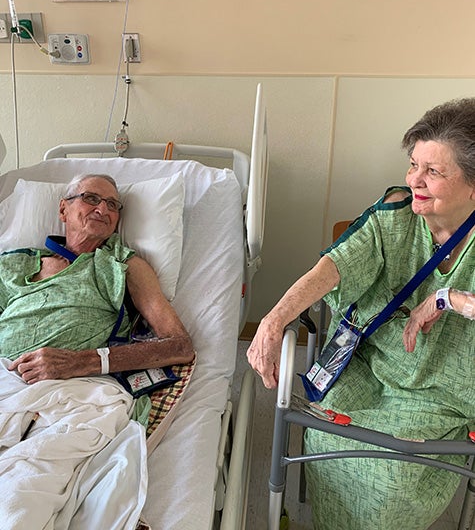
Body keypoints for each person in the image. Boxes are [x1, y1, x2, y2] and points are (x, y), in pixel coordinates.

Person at [248, 98, 475, 530]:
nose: (415, 181)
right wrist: (274, 319)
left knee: (393, 480)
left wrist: (451, 299)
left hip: (444, 391)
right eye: (414, 165)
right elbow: (335, 265)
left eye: (434, 171)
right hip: (369, 366)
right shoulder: (395, 215)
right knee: (325, 434)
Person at [0, 173, 194, 529]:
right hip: (5, 379)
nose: (103, 209)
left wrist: (80, 362)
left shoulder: (121, 265)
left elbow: (180, 346)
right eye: (91, 198)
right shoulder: (13, 265)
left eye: (113, 205)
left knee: (21, 495)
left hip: (73, 392)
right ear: (63, 208)